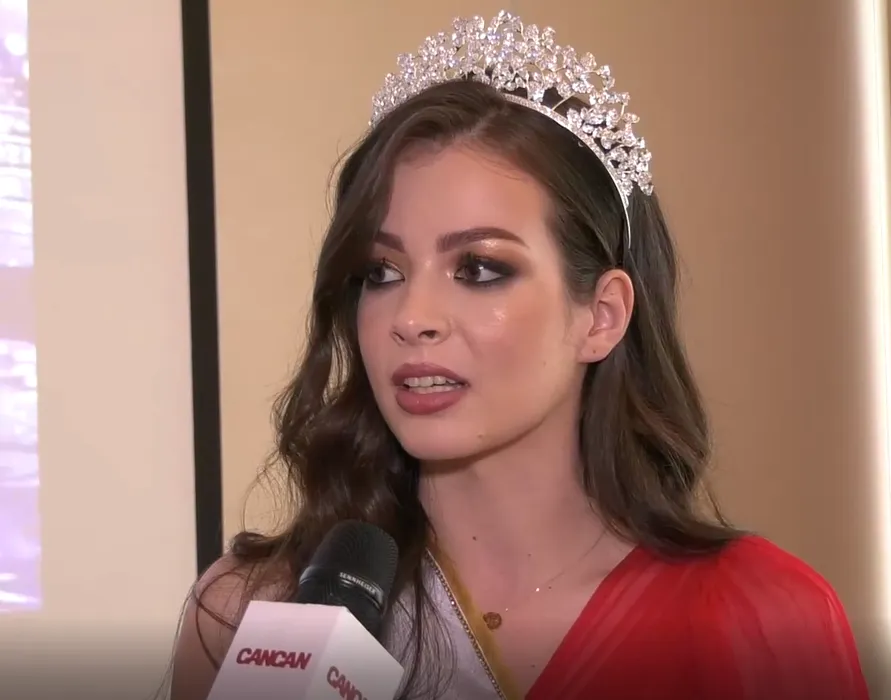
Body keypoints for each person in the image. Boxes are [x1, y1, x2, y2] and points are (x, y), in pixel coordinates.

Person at [170, 11, 870, 700]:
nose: (411, 318)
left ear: (601, 316)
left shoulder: (760, 619)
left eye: (479, 268)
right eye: (381, 272)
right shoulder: (253, 616)